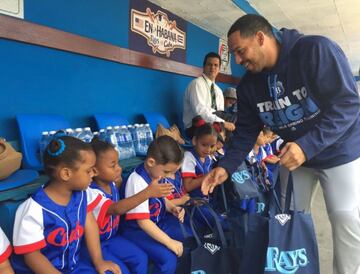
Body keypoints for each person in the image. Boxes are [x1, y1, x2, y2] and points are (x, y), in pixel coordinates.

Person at [202, 14, 360, 274]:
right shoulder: (249, 87)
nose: (238, 61)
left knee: (345, 218)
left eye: (240, 52)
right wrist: (226, 167)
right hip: (296, 156)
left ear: (261, 38)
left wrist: (306, 146)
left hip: (340, 150)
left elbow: (348, 103)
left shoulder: (315, 50)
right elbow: (244, 133)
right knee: (285, 218)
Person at [11, 136, 121, 274]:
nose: (93, 174)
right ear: (66, 173)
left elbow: (90, 225)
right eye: (88, 170)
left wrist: (99, 261)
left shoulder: (81, 195)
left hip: (73, 266)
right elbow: (32, 257)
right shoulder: (33, 209)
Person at [85, 138, 175, 274]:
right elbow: (115, 209)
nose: (119, 168)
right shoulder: (91, 192)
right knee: (122, 270)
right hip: (96, 244)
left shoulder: (111, 184)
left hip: (113, 237)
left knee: (140, 258)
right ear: (94, 171)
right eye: (112, 165)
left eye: (118, 163)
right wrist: (147, 193)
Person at [121, 136, 187, 274]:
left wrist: (172, 208)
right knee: (168, 258)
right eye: (167, 171)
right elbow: (143, 222)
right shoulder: (137, 180)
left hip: (156, 222)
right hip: (136, 231)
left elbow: (161, 199)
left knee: (187, 236)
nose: (169, 176)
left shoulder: (157, 174)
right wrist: (169, 242)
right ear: (151, 162)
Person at [183, 52, 235, 138]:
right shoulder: (197, 84)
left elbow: (220, 113)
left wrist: (223, 123)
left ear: (219, 68)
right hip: (195, 128)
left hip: (212, 126)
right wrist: (223, 123)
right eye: (209, 64)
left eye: (216, 65)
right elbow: (200, 112)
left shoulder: (218, 91)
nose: (212, 68)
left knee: (234, 121)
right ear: (203, 67)